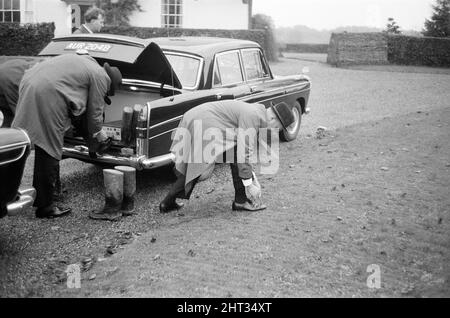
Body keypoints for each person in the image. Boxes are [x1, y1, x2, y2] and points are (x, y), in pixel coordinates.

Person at [12, 54, 122, 219]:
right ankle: (46, 206)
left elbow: (80, 116)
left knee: (21, 142)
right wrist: (100, 136)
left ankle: (10, 192)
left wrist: (90, 144)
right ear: (110, 84)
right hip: (49, 91)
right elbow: (94, 114)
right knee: (49, 149)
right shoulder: (102, 77)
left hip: (29, 81)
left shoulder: (86, 64)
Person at [159, 100, 295, 213]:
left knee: (231, 154)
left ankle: (240, 201)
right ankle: (167, 202)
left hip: (200, 117)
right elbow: (244, 153)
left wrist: (252, 177)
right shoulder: (253, 117)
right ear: (272, 118)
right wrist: (250, 185)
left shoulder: (256, 113)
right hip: (204, 122)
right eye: (278, 128)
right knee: (198, 166)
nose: (276, 131)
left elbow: (242, 151)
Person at [0, 59, 39, 127]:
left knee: (9, 114)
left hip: (8, 76)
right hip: (8, 80)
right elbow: (20, 110)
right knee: (19, 114)